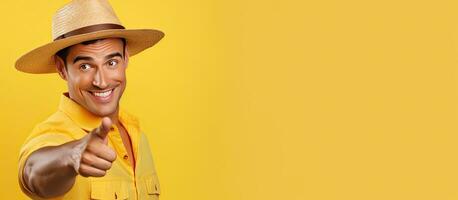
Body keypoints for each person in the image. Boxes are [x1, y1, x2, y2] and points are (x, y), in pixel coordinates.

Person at [15, 0, 164, 199]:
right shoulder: (55, 133)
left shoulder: (136, 133)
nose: (101, 82)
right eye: (85, 66)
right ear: (61, 69)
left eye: (111, 62)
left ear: (126, 58)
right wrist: (72, 155)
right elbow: (32, 172)